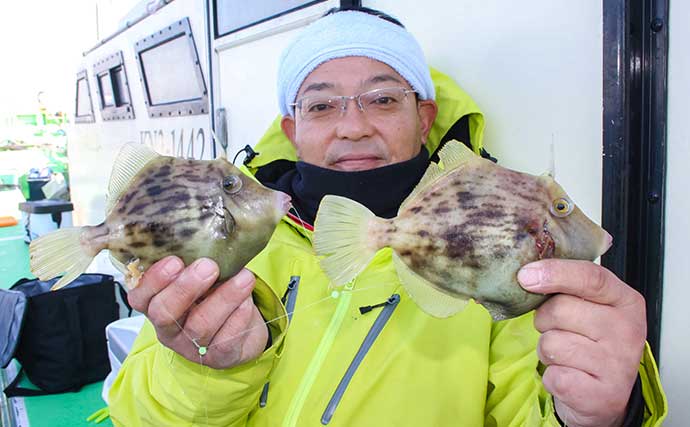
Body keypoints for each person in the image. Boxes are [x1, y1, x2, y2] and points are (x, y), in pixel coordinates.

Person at [108, 7, 666, 427]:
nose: (352, 127)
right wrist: (205, 372)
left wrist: (599, 414)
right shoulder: (228, 244)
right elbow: (135, 413)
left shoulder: (500, 253)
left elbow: (532, 406)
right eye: (321, 105)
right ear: (291, 128)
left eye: (382, 98)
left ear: (424, 117)